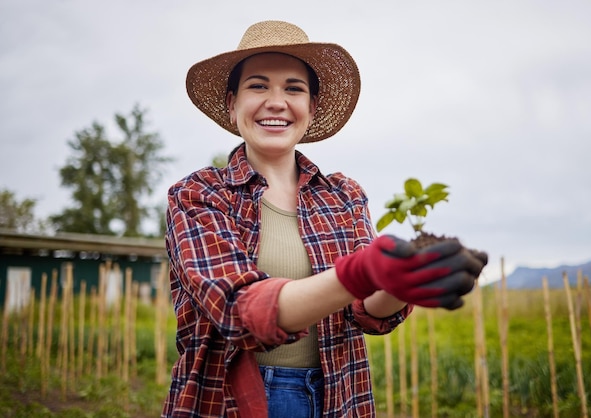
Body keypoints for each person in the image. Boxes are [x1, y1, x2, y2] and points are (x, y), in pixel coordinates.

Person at [162, 20, 488, 418]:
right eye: (258, 85)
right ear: (232, 103)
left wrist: (400, 279)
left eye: (294, 88)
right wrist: (361, 272)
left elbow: (368, 310)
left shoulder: (343, 195)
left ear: (312, 108)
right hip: (231, 400)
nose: (277, 102)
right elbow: (237, 307)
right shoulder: (199, 194)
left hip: (337, 397)